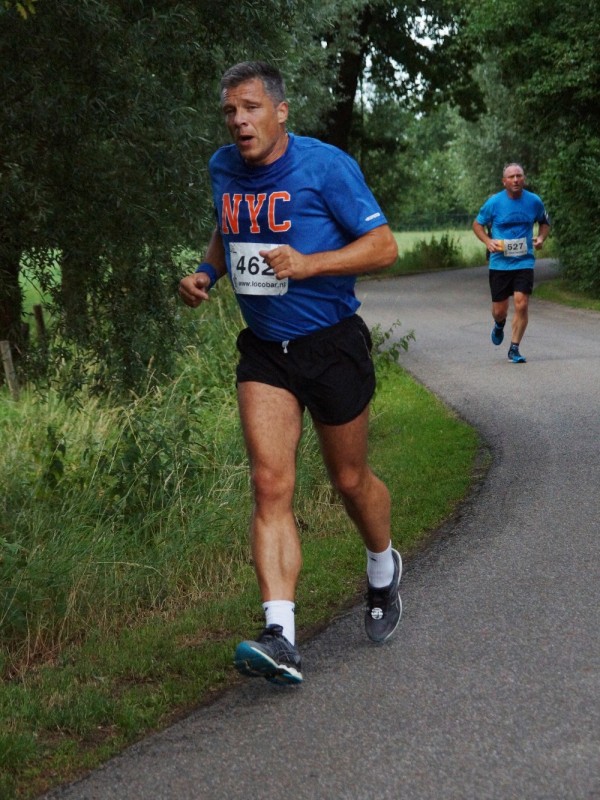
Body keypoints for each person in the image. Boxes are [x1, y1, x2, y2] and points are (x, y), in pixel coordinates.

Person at [179, 61, 401, 685]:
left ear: (280, 111)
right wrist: (207, 272)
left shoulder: (325, 166)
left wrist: (310, 264)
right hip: (264, 352)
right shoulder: (224, 168)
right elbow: (227, 226)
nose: (239, 121)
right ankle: (281, 636)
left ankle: (382, 567)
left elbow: (384, 247)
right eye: (230, 111)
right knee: (270, 483)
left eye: (250, 108)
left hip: (331, 344)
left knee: (350, 480)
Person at [472, 163, 550, 363]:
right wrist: (487, 241)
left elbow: (544, 222)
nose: (516, 179)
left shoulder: (534, 201)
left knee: (521, 304)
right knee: (500, 311)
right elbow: (477, 224)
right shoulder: (494, 202)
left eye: (519, 175)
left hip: (524, 261)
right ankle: (499, 324)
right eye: (511, 177)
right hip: (500, 263)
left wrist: (541, 238)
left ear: (524, 178)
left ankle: (514, 348)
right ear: (504, 181)